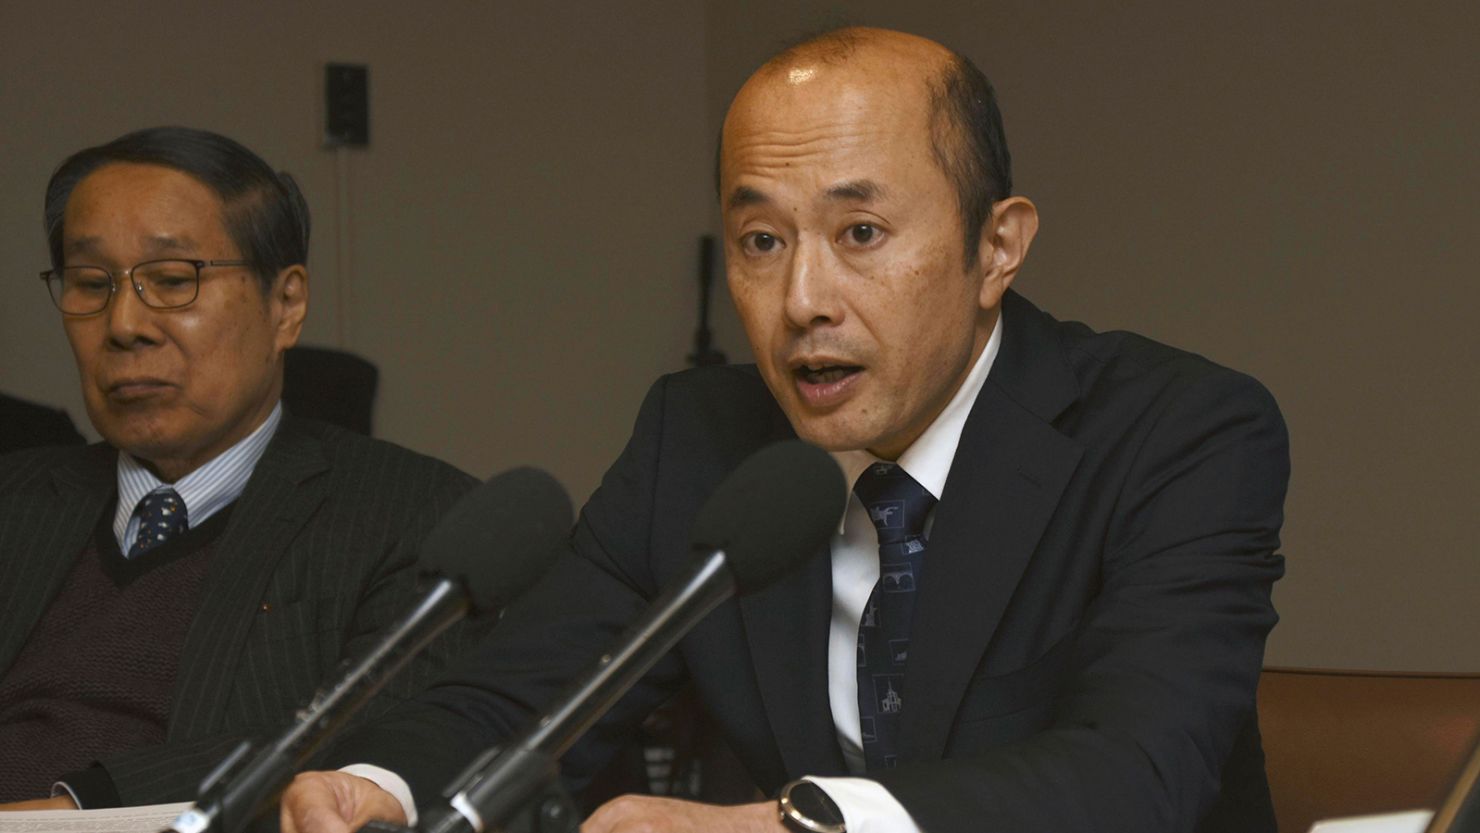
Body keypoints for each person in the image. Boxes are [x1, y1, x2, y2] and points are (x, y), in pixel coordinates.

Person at [281, 26, 1289, 833]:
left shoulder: (1178, 430)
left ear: (996, 247)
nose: (803, 298)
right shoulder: (699, 436)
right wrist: (382, 785)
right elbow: (524, 698)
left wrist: (793, 824)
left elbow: (1138, 773)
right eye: (761, 240)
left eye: (860, 233)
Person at [0, 127, 480, 810]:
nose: (125, 323)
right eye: (90, 284)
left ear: (285, 305)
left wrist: (83, 807)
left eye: (171, 280)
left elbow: (380, 734)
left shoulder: (414, 515)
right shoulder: (15, 500)